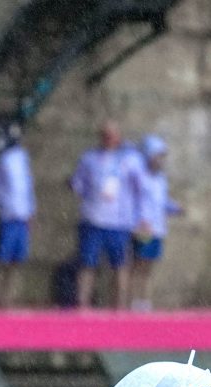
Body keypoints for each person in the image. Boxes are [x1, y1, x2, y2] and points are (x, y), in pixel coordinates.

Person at [70, 120, 145, 309]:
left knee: (120, 265)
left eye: (112, 135)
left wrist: (140, 218)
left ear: (119, 137)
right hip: (93, 219)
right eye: (105, 135)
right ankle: (82, 304)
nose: (108, 139)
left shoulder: (131, 160)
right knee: (87, 264)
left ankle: (119, 306)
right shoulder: (89, 158)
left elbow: (139, 189)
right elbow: (79, 184)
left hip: (119, 222)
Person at [127, 134, 180, 311]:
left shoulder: (160, 179)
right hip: (143, 227)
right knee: (138, 265)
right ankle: (134, 300)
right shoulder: (139, 176)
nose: (161, 161)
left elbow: (162, 202)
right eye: (158, 156)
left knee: (149, 267)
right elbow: (133, 201)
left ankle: (145, 301)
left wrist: (175, 208)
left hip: (157, 228)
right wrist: (136, 222)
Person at [0, 136, 36, 308]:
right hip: (7, 216)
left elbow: (27, 185)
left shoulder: (21, 156)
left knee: (17, 261)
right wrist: (2, 199)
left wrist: (30, 210)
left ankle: (8, 299)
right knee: (1, 260)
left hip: (22, 216)